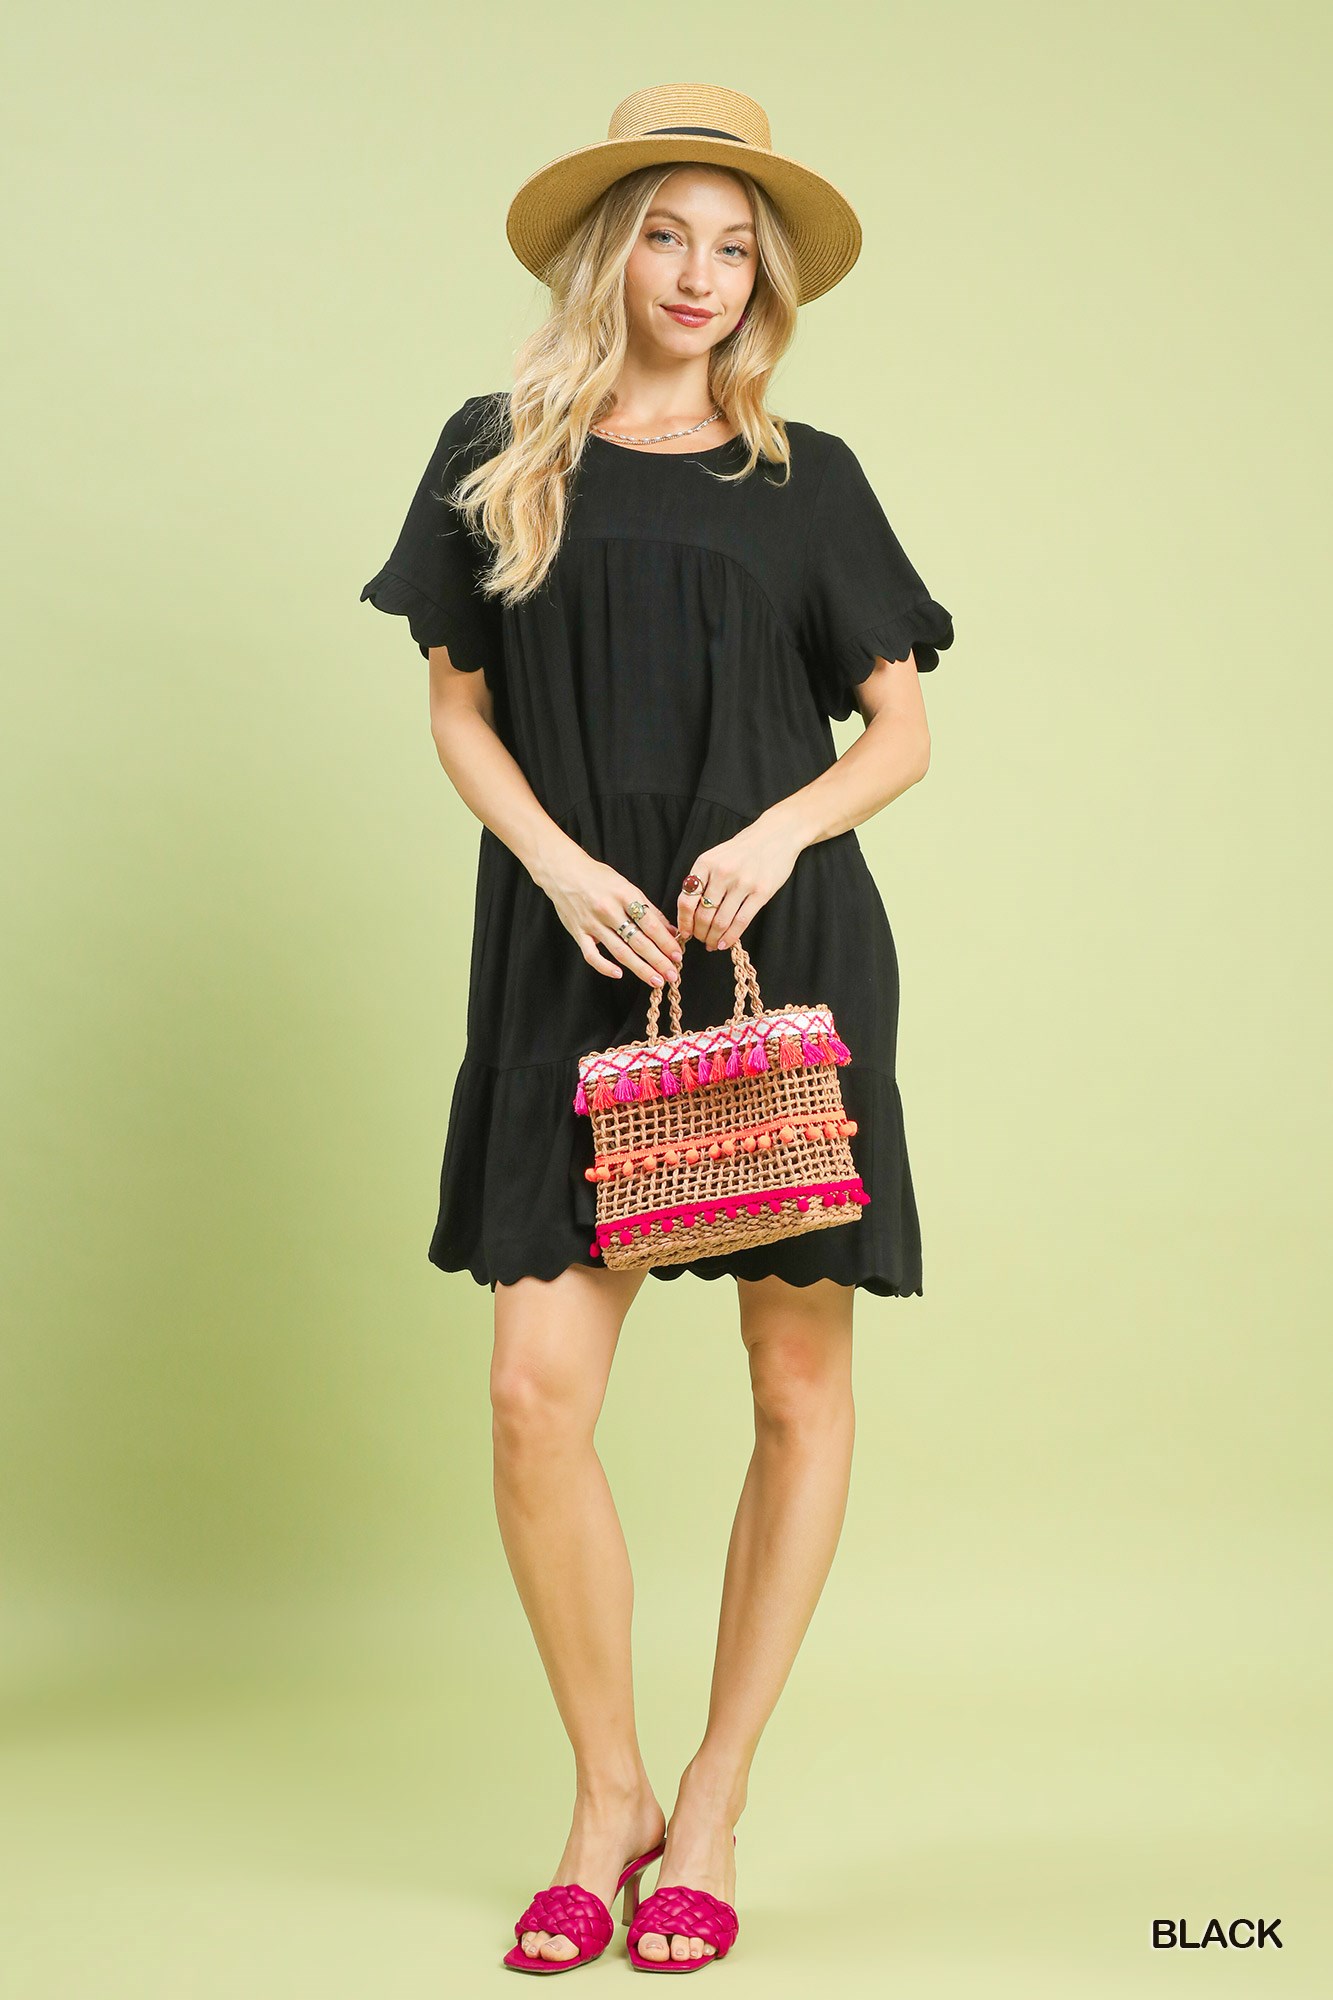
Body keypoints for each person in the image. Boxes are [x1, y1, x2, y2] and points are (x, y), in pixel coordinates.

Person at [359, 82, 955, 1976]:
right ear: (609, 252)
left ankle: (711, 1795)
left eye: (733, 247)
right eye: (669, 236)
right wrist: (552, 866)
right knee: (534, 1394)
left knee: (793, 1390)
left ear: (761, 278)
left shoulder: (806, 476)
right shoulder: (494, 450)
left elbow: (901, 731)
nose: (700, 275)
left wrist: (778, 836)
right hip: (574, 948)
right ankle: (604, 1791)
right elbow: (458, 706)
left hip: (778, 951)